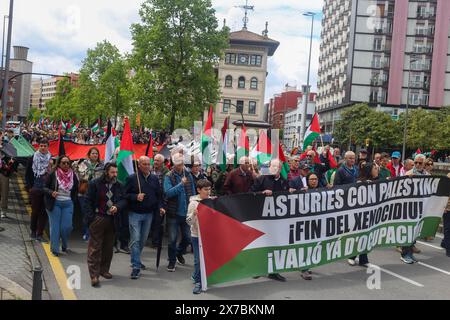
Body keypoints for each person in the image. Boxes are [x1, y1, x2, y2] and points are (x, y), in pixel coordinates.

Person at [84, 163, 127, 287]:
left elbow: (124, 200)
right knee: (95, 248)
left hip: (113, 220)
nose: (115, 175)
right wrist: (91, 218)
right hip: (98, 218)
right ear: (106, 172)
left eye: (116, 172)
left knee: (108, 248)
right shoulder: (95, 183)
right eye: (112, 172)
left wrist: (117, 207)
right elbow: (87, 201)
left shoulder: (119, 185)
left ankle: (104, 270)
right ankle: (94, 275)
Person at [126, 156, 165, 280]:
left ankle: (135, 259)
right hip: (135, 213)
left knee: (142, 240)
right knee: (136, 239)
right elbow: (124, 194)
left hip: (149, 214)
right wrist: (135, 196)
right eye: (144, 164)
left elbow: (159, 195)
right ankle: (136, 266)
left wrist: (161, 207)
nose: (147, 166)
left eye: (149, 164)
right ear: (139, 165)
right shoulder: (132, 178)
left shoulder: (154, 178)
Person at [251, 159, 289, 282]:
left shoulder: (284, 181)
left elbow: (287, 197)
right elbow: (251, 193)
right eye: (272, 166)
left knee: (275, 245)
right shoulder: (261, 179)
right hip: (262, 218)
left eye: (277, 167)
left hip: (277, 220)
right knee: (261, 244)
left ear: (280, 168)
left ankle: (273, 271)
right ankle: (257, 268)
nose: (274, 169)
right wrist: (262, 192)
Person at [164, 153, 196, 272]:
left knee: (188, 239)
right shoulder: (168, 176)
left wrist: (193, 203)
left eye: (182, 164)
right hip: (173, 213)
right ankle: (171, 262)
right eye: (178, 164)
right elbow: (168, 193)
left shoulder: (188, 174)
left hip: (186, 212)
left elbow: (192, 191)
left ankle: (178, 253)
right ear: (174, 164)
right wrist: (180, 184)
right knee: (172, 239)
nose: (180, 166)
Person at [43, 156, 79, 256]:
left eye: (68, 163)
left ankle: (64, 244)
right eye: (63, 163)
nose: (66, 165)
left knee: (66, 227)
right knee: (55, 227)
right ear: (59, 164)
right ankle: (55, 249)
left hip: (68, 203)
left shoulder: (73, 175)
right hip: (55, 203)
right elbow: (44, 187)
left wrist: (73, 199)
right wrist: (51, 192)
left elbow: (76, 189)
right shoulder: (52, 174)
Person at [347, 163, 379, 267]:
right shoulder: (360, 181)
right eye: (375, 168)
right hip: (360, 214)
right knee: (359, 235)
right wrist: (364, 185)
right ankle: (352, 256)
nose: (377, 169)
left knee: (367, 234)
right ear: (369, 170)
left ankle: (363, 259)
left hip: (372, 213)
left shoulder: (378, 180)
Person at [400, 154, 430, 264]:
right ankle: (404, 254)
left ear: (424, 164)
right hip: (409, 207)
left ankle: (410, 253)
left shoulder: (427, 175)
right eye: (416, 162)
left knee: (415, 231)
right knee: (408, 230)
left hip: (421, 207)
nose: (417, 165)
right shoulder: (408, 174)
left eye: (420, 163)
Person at [186, 179, 212, 294]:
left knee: (206, 259)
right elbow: (188, 221)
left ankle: (197, 275)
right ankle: (198, 282)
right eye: (205, 189)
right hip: (196, 236)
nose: (208, 192)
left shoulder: (212, 201)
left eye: (209, 189)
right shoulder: (193, 203)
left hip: (208, 235)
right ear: (199, 190)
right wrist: (193, 214)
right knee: (197, 259)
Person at [73, 147, 105, 241]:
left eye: (96, 154)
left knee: (95, 214)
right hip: (84, 193)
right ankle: (86, 233)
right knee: (86, 213)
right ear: (89, 154)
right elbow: (78, 174)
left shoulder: (101, 166)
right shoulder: (83, 164)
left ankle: (92, 233)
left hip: (96, 194)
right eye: (93, 153)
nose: (95, 155)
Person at [26, 138, 52, 242]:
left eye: (45, 146)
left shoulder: (52, 159)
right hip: (35, 188)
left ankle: (40, 233)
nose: (43, 147)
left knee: (43, 212)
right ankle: (33, 230)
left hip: (47, 189)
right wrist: (30, 187)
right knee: (35, 211)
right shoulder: (32, 158)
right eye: (41, 145)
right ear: (38, 146)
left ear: (48, 147)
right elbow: (28, 174)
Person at [149, 154, 170, 247]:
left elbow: (166, 186)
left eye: (158, 160)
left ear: (162, 162)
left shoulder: (166, 171)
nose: (155, 162)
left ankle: (155, 241)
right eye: (155, 160)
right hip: (150, 197)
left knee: (158, 220)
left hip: (160, 198)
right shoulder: (150, 169)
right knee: (150, 219)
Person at [0, 152, 16, 219]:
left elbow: (12, 166)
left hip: (4, 174)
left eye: (1, 140)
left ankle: (3, 211)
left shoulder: (6, 150)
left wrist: (11, 162)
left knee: (4, 193)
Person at [441, 173, 450, 257]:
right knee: (448, 228)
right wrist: (443, 207)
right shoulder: (448, 177)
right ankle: (448, 249)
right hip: (448, 208)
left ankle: (444, 242)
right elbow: (444, 193)